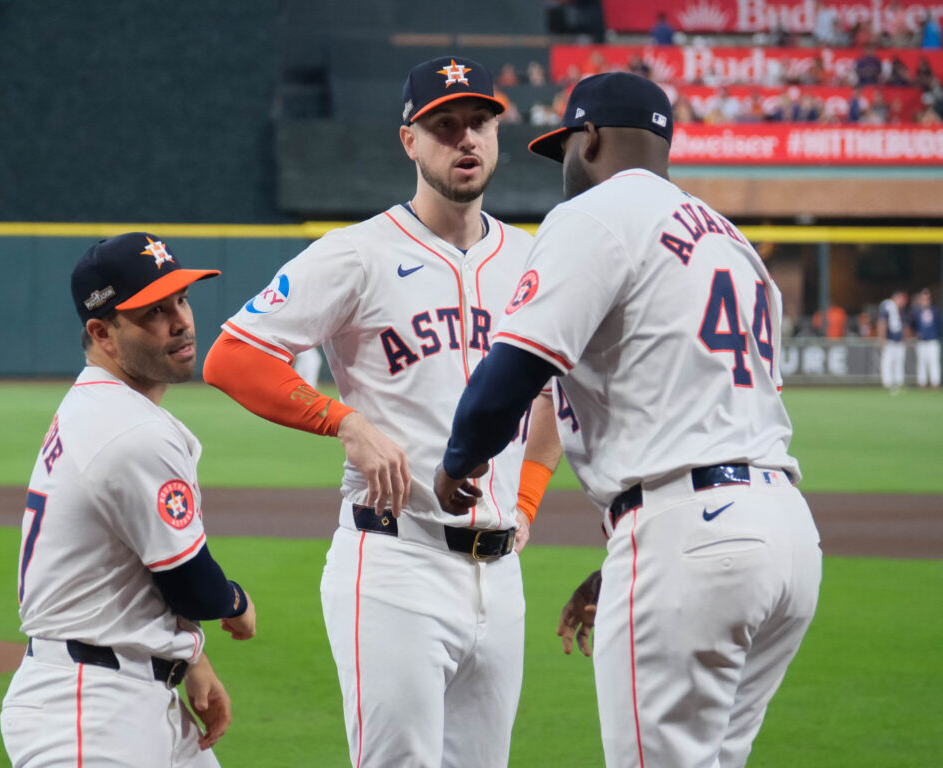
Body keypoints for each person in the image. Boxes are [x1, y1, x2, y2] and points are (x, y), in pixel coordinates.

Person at [434, 72, 822, 768]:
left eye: (566, 152)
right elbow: (710, 408)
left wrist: (458, 461)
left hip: (693, 538)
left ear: (590, 138)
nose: (566, 171)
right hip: (785, 534)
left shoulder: (595, 216)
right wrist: (629, 557)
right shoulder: (731, 242)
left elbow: (513, 371)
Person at [203, 56, 559, 768]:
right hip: (397, 561)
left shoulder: (534, 258)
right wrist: (345, 423)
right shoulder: (356, 254)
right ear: (409, 142)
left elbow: (550, 394)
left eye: (480, 123)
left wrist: (525, 502)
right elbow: (231, 359)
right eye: (445, 125)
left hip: (500, 576)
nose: (466, 139)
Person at [0, 233, 257, 768]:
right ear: (102, 332)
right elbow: (193, 586)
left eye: (181, 300)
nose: (181, 321)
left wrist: (189, 657)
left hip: (127, 690)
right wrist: (235, 602)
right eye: (154, 312)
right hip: (88, 713)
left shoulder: (100, 405)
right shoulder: (129, 430)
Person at [910, 287, 941, 387]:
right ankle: (922, 383)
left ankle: (935, 383)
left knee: (934, 362)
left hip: (932, 340)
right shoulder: (917, 312)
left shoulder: (935, 311)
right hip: (921, 341)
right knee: (921, 363)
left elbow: (939, 324)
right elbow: (912, 324)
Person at [878, 289, 909, 392]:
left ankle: (899, 382)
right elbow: (882, 322)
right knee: (888, 362)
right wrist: (882, 338)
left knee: (899, 362)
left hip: (899, 341)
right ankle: (887, 382)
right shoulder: (888, 306)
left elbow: (904, 326)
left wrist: (905, 339)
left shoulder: (901, 310)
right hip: (889, 341)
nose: (903, 301)